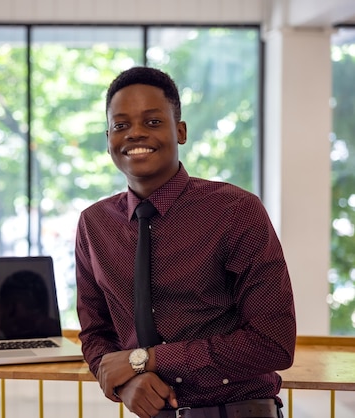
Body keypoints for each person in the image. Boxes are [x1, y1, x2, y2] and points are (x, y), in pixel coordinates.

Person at [74, 66, 296, 418]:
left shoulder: (236, 210)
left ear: (180, 131)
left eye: (152, 122)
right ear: (108, 138)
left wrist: (146, 360)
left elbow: (274, 343)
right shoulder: (94, 224)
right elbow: (96, 333)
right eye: (120, 125)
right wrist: (126, 383)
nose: (134, 134)